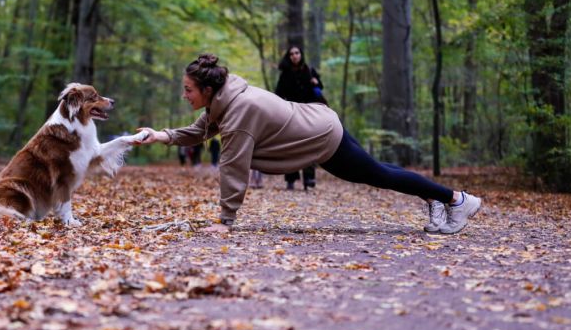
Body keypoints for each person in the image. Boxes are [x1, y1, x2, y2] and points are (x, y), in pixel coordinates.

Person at [137, 54, 481, 234]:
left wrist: (225, 221)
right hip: (317, 124)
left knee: (378, 175)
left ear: (207, 90)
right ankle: (436, 197)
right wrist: (162, 135)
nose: (184, 95)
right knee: (379, 171)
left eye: (188, 90)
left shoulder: (239, 110)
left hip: (319, 135)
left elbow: (232, 164)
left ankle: (456, 199)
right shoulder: (224, 100)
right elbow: (200, 131)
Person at [275, 45, 325, 191]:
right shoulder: (285, 74)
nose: (294, 56)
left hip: (309, 112)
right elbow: (278, 94)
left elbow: (320, 87)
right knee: (290, 146)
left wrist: (316, 82)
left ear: (301, 54)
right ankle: (290, 179)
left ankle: (309, 178)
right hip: (291, 113)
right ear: (289, 57)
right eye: (291, 54)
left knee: (309, 144)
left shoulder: (309, 70)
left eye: (297, 53)